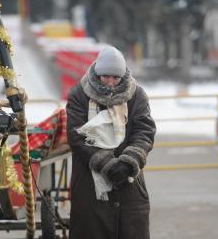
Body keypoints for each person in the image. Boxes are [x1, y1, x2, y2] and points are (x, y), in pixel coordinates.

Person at [66, 46, 156, 239]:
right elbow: (77, 136)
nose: (110, 82)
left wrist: (129, 162)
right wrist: (106, 163)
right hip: (89, 184)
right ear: (97, 73)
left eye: (115, 78)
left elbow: (144, 131)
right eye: (105, 76)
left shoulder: (137, 95)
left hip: (129, 182)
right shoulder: (79, 95)